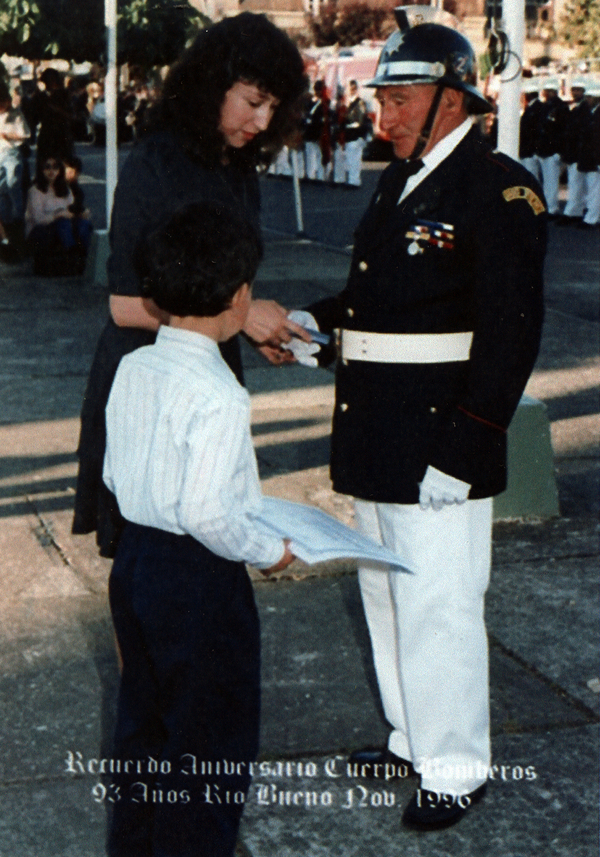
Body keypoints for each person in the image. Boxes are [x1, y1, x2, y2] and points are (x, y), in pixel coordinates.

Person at [303, 18, 546, 830]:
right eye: (383, 100)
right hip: (377, 429)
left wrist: (470, 444)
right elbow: (374, 297)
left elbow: (511, 333)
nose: (384, 117)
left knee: (439, 602)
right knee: (383, 589)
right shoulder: (398, 181)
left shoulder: (497, 188)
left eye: (399, 100)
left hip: (440, 438)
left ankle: (455, 764)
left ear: (452, 100)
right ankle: (411, 736)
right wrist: (312, 326)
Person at [72, 12, 308, 558]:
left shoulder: (236, 164)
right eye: (253, 102)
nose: (263, 121)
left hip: (206, 373)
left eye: (275, 108)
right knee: (143, 564)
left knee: (207, 554)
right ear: (212, 85)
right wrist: (242, 317)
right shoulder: (156, 160)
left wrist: (248, 328)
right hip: (149, 383)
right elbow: (126, 304)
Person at [104, 201, 295, 857]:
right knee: (210, 740)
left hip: (134, 562)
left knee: (144, 725)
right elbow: (212, 514)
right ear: (239, 297)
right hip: (196, 578)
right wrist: (271, 548)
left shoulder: (135, 366)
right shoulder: (219, 393)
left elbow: (113, 473)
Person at [24, 155, 90, 275]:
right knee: (62, 222)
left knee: (83, 223)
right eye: (47, 167)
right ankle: (71, 253)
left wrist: (80, 212)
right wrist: (58, 215)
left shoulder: (66, 189)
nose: (51, 171)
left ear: (60, 170)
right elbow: (38, 219)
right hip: (40, 231)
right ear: (41, 170)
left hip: (63, 227)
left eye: (55, 167)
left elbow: (70, 209)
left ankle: (85, 255)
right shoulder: (35, 191)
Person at [0, 81, 30, 254]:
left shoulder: (15, 115)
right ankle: (7, 222)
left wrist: (7, 135)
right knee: (2, 189)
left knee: (13, 185)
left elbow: (25, 135)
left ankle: (18, 217)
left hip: (11, 153)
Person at [558, 78, 591, 225]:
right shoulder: (576, 108)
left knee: (576, 184)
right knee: (576, 184)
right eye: (574, 89)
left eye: (578, 90)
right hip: (573, 152)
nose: (575, 92)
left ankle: (572, 213)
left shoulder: (585, 109)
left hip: (579, 152)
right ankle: (576, 211)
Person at [536, 77, 568, 217]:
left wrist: (559, 151)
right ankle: (547, 207)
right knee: (547, 183)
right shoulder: (546, 106)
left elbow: (562, 131)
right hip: (544, 150)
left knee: (551, 182)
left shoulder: (561, 107)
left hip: (552, 151)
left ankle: (552, 209)